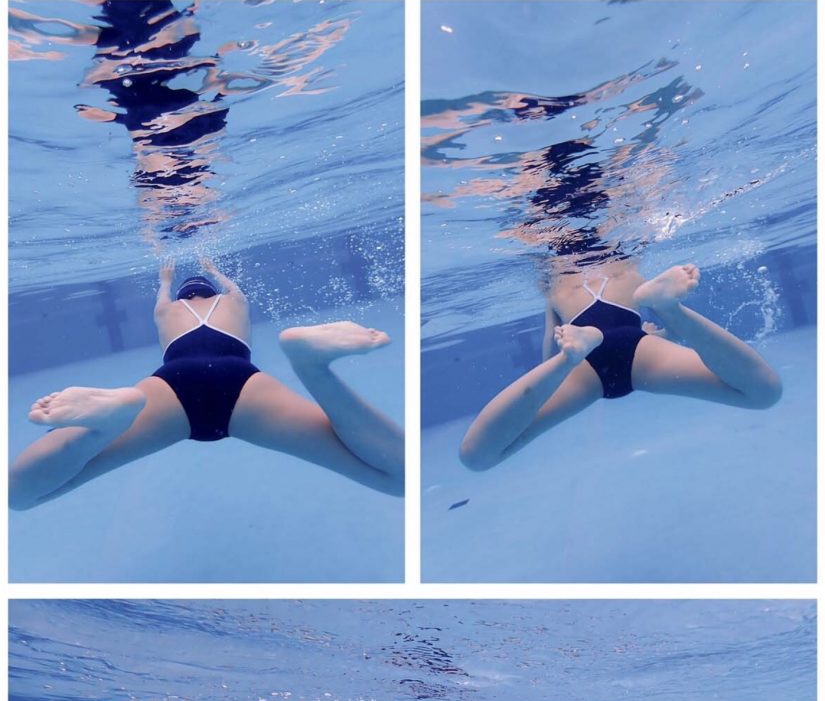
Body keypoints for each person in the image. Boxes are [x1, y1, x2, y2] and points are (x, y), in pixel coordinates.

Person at [9, 258, 403, 509]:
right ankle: (312, 366)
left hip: (168, 390)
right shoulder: (234, 302)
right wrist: (211, 265)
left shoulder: (166, 310)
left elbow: (162, 290)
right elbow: (232, 285)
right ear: (212, 290)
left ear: (182, 295)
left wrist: (165, 276)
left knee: (20, 495)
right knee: (398, 478)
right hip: (244, 385)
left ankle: (107, 425)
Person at [459, 260, 782, 471]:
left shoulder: (553, 285)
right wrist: (659, 333)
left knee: (477, 456)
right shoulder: (625, 265)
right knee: (763, 392)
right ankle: (670, 308)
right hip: (639, 349)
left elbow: (550, 339)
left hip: (583, 365)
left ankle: (571, 355)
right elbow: (665, 332)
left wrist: (562, 362)